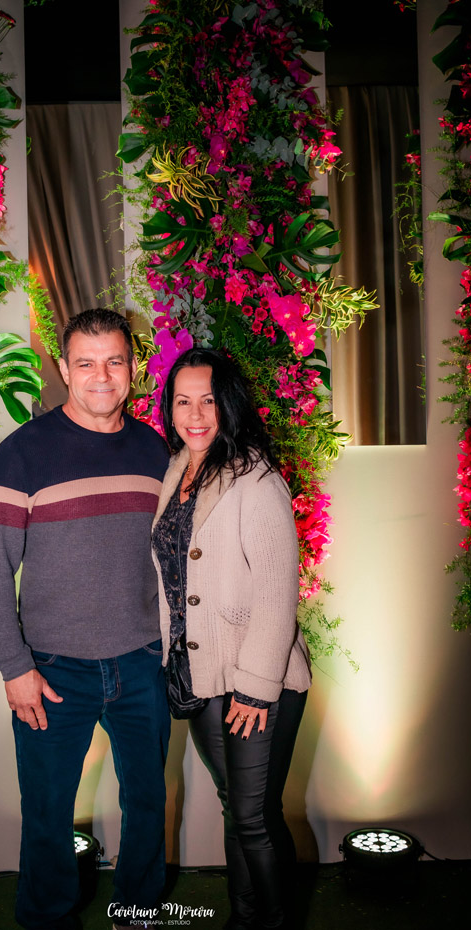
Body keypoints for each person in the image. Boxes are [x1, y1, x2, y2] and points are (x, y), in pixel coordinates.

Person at [0, 309, 171, 930]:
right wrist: (15, 668)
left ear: (132, 367)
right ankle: (46, 920)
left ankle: (139, 914)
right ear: (63, 368)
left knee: (148, 804)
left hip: (142, 662)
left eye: (114, 361)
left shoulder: (155, 449)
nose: (101, 376)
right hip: (53, 671)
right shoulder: (22, 454)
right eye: (85, 363)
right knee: (47, 813)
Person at [151, 348, 311, 930]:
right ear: (169, 408)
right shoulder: (176, 468)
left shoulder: (256, 477)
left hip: (254, 679)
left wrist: (256, 688)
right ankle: (243, 921)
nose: (195, 415)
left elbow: (277, 589)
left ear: (230, 404)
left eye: (209, 401)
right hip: (200, 674)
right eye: (183, 401)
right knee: (235, 810)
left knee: (255, 818)